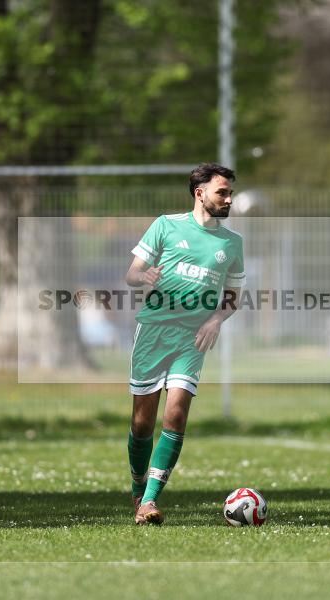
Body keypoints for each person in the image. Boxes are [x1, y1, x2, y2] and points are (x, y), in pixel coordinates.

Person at [124, 163, 244, 525]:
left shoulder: (232, 243)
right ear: (200, 193)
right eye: (222, 192)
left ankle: (149, 502)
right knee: (142, 423)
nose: (228, 199)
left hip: (192, 338)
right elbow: (131, 274)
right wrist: (143, 275)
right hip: (154, 332)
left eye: (230, 193)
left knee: (175, 412)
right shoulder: (166, 225)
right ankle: (137, 486)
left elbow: (233, 298)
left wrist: (214, 320)